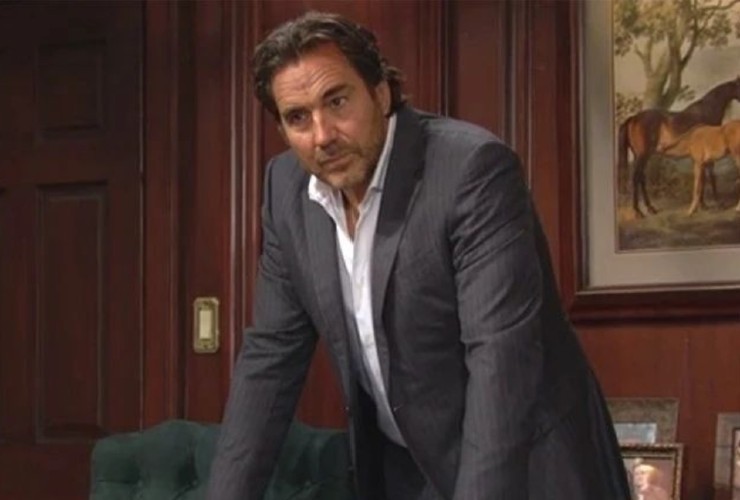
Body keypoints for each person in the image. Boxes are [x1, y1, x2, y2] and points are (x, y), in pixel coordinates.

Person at [207, 10, 630, 500]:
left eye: (337, 101)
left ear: (381, 93)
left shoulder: (470, 170)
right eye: (298, 118)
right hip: (412, 471)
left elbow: (500, 360)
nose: (322, 136)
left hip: (530, 469)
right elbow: (270, 359)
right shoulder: (286, 190)